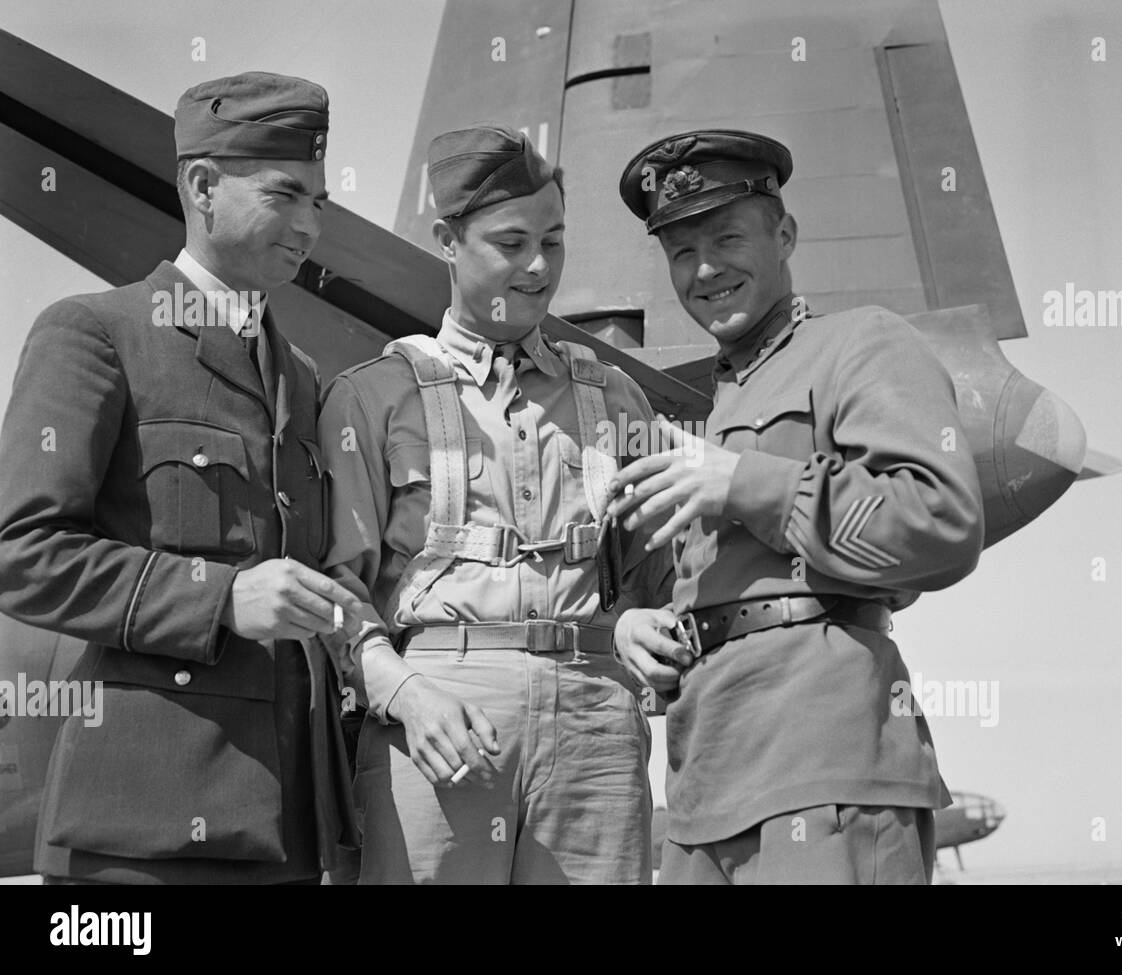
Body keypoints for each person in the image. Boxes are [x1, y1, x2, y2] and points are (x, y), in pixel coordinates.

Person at [0, 71, 362, 884]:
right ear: (202, 185)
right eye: (285, 195)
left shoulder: (299, 376)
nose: (309, 225)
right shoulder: (97, 332)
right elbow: (21, 552)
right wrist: (220, 596)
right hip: (144, 833)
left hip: (288, 829)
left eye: (320, 202)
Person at [609, 129, 985, 884]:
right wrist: (634, 622)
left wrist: (746, 483)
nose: (705, 269)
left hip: (826, 768)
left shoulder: (862, 343)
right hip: (702, 784)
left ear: (784, 234)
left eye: (727, 236)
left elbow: (943, 520)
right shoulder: (710, 409)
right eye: (681, 252)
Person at [317, 125, 672, 884]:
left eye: (553, 239)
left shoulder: (615, 396)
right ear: (448, 240)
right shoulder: (370, 397)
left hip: (595, 724)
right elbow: (338, 586)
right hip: (439, 720)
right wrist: (404, 692)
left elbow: (654, 576)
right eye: (511, 243)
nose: (539, 266)